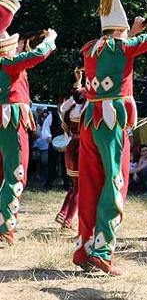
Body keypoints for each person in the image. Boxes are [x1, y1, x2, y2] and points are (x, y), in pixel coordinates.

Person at [72, 0, 147, 275]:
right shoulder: (123, 47)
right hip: (112, 121)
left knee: (92, 182)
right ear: (121, 29)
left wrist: (131, 31)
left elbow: (115, 55)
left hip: (90, 120)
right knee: (115, 182)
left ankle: (84, 248)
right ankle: (102, 251)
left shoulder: (90, 49)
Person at [0, 0, 56, 245]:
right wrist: (50, 40)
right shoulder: (8, 64)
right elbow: (35, 55)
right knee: (15, 172)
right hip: (10, 119)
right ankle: (5, 227)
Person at [55, 70, 86, 230]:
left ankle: (63, 214)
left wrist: (78, 82)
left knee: (75, 185)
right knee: (79, 187)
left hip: (71, 147)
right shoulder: (86, 110)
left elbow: (65, 105)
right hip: (82, 149)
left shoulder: (71, 109)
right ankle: (68, 220)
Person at [33, 109, 52, 185]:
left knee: (44, 163)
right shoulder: (37, 125)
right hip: (36, 147)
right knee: (35, 163)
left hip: (45, 148)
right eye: (42, 117)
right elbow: (35, 136)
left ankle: (44, 178)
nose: (43, 118)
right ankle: (34, 178)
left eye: (45, 117)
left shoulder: (49, 127)